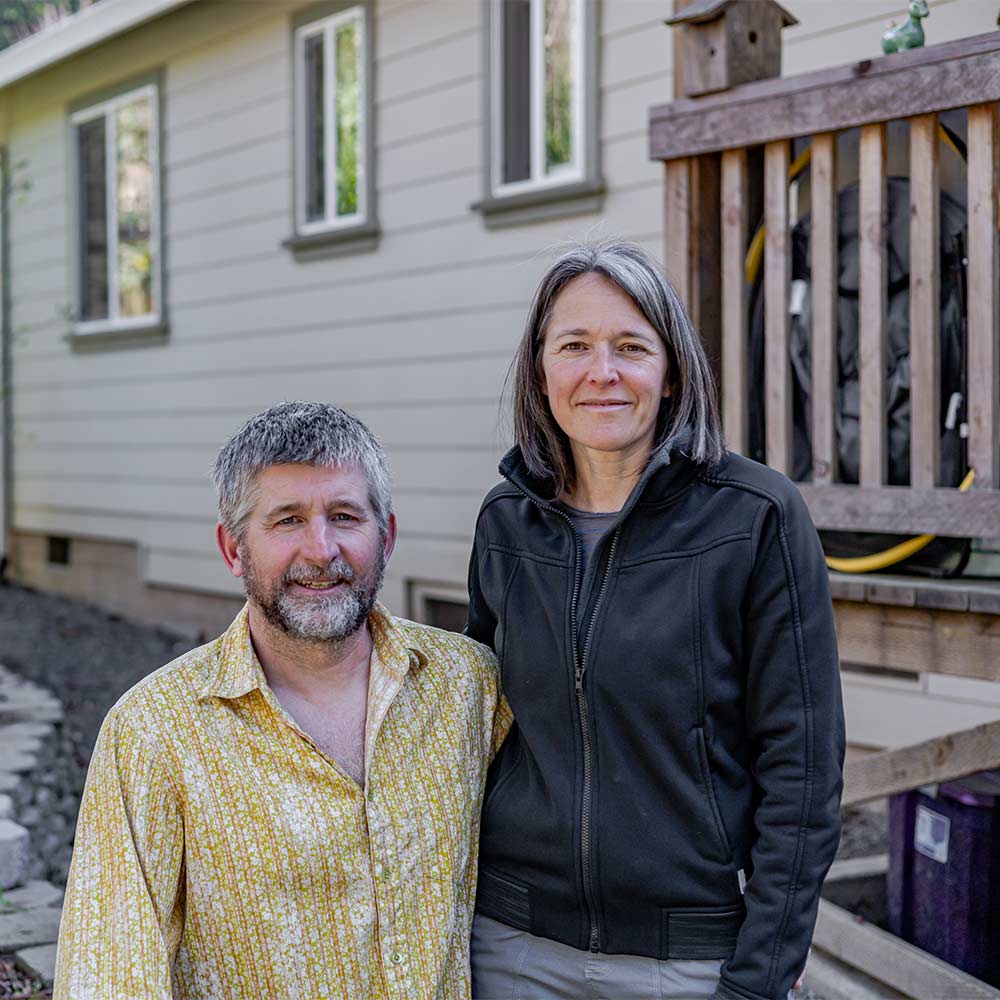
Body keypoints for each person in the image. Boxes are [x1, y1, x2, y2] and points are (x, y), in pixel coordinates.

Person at [466, 242, 845, 1000]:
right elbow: (476, 724)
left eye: (631, 347)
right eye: (574, 345)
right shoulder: (507, 521)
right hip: (511, 947)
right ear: (541, 370)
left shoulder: (755, 518)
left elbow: (801, 772)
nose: (601, 372)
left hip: (689, 960)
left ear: (670, 373)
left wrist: (759, 978)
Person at [54, 401, 510, 1000]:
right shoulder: (152, 732)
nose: (321, 551)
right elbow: (109, 973)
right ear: (233, 549)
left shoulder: (466, 687)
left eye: (345, 516)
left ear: (388, 535)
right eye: (287, 520)